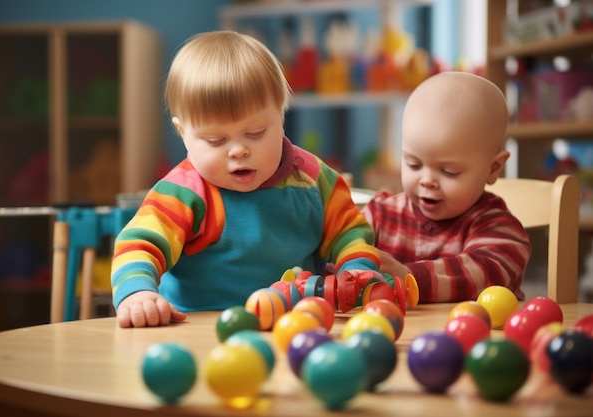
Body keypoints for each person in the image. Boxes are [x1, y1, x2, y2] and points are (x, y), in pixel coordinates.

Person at [110, 30, 383, 328]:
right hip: (198, 330)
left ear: (281, 116)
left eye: (255, 133)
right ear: (183, 133)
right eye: (215, 140)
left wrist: (357, 273)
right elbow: (138, 245)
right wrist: (137, 294)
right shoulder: (182, 192)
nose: (239, 150)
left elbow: (351, 234)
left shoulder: (314, 180)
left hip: (296, 325)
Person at [361, 71, 532, 303]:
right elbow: (340, 251)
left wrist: (408, 276)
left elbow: (485, 274)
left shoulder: (499, 229)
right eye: (414, 164)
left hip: (473, 337)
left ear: (493, 168)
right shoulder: (379, 214)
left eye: (449, 171)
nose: (427, 180)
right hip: (395, 335)